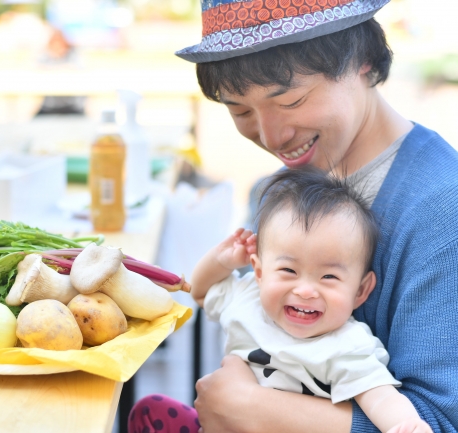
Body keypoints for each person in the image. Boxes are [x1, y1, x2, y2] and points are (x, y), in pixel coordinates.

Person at [129, 0, 458, 432]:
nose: (271, 136)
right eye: (240, 111)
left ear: (361, 62)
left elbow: (438, 420)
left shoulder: (442, 210)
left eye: (290, 100)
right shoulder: (273, 192)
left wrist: (252, 409)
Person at [128, 168, 431, 433]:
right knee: (151, 409)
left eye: (328, 278)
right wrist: (220, 261)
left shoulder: (348, 346)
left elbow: (379, 396)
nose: (305, 290)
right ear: (259, 272)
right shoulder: (247, 299)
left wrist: (405, 425)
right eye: (288, 270)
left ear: (361, 291)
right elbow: (201, 291)